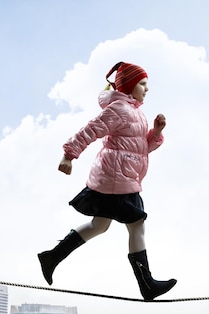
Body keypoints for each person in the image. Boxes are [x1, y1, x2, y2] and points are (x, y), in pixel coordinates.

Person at [37, 61, 176, 301]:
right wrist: (69, 155)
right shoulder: (120, 110)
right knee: (136, 225)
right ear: (130, 86)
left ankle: (52, 256)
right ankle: (147, 285)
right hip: (116, 179)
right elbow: (90, 130)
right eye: (142, 84)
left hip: (119, 177)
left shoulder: (134, 112)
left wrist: (156, 132)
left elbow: (142, 148)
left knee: (99, 225)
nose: (147, 88)